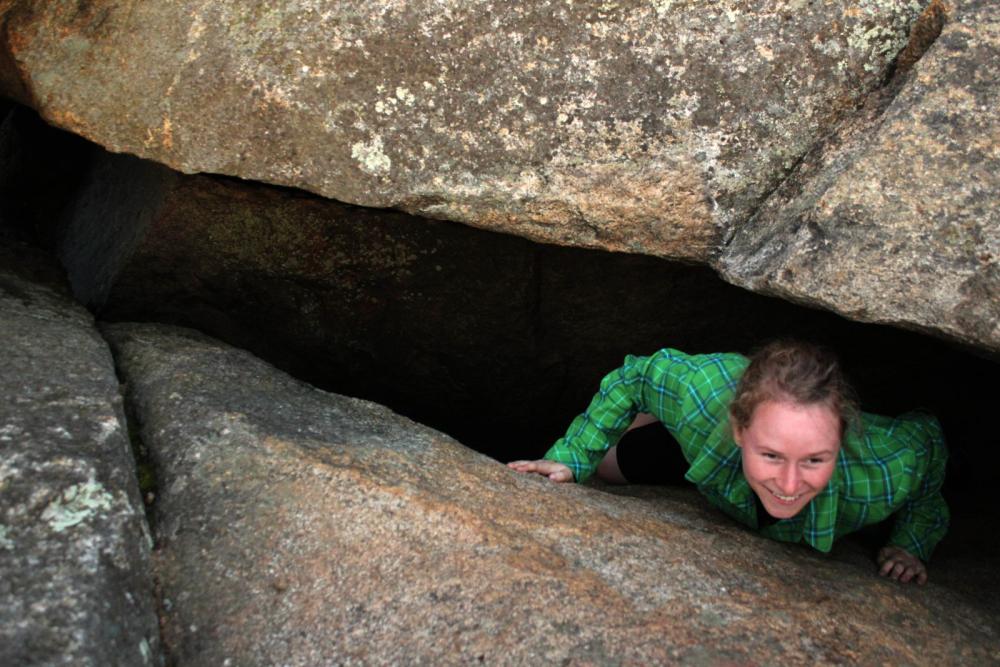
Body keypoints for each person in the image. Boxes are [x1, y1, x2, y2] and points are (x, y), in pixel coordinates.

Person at [508, 340, 948, 585]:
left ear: (842, 442)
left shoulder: (883, 475)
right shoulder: (703, 399)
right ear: (740, 431)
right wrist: (570, 457)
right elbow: (638, 375)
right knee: (606, 467)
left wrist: (911, 542)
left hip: (732, 455)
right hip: (707, 449)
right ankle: (654, 422)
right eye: (772, 455)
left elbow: (928, 436)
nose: (791, 484)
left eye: (814, 459)